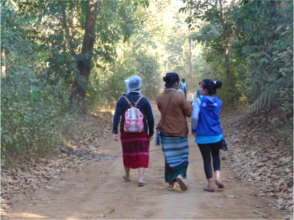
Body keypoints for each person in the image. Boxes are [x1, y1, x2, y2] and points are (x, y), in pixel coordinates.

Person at [112, 75, 154, 187]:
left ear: (128, 85)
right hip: (141, 132)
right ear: (139, 86)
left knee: (127, 154)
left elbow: (116, 117)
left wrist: (115, 132)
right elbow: (150, 118)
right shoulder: (144, 100)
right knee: (142, 153)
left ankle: (127, 175)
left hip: (126, 133)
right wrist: (151, 133)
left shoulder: (122, 100)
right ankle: (141, 178)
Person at [156, 72, 193, 191]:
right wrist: (190, 104)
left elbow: (163, 111)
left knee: (169, 156)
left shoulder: (159, 97)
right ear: (176, 83)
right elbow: (189, 112)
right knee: (182, 156)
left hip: (165, 131)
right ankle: (180, 175)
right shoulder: (180, 96)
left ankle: (171, 183)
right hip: (179, 131)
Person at [191, 79, 224, 192]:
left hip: (203, 135)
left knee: (206, 159)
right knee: (216, 156)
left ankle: (210, 184)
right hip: (216, 134)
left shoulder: (198, 101)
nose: (199, 90)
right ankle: (218, 178)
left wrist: (194, 129)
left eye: (201, 88)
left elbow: (195, 117)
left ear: (205, 90)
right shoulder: (219, 102)